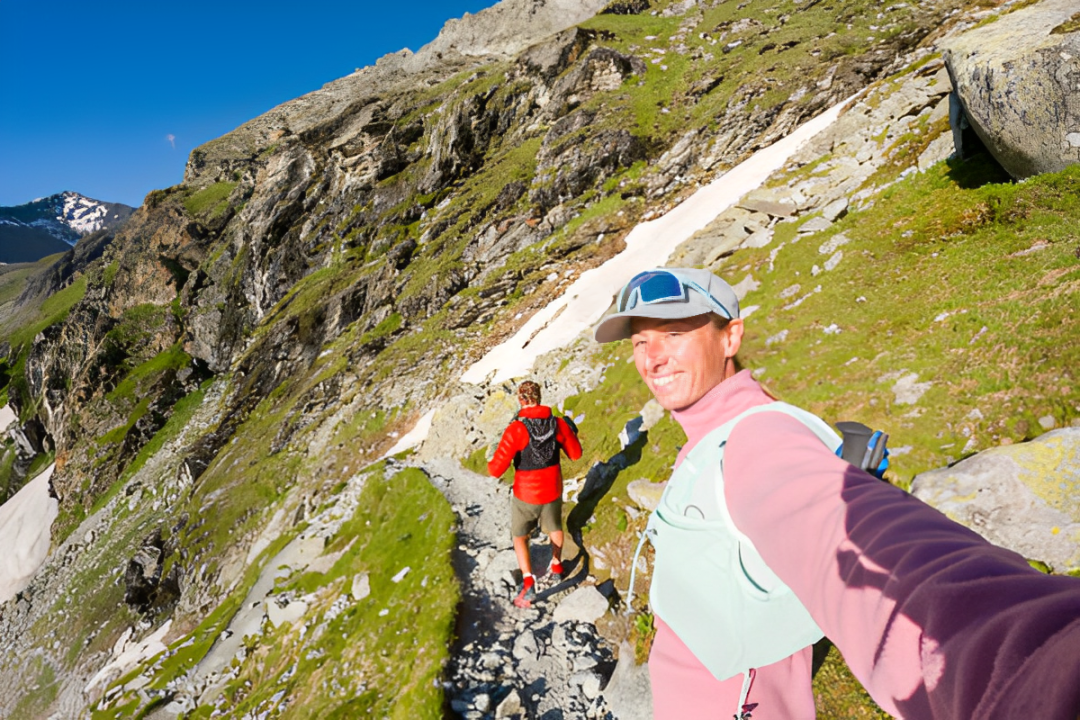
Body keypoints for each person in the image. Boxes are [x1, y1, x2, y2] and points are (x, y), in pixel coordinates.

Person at [594, 267, 1080, 719]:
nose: (652, 359)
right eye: (641, 342)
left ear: (731, 336)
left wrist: (1033, 667)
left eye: (675, 335)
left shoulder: (758, 441)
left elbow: (858, 543)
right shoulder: (708, 437)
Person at [489, 380, 582, 608]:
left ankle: (529, 581)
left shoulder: (516, 429)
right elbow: (576, 454)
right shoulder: (557, 424)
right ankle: (557, 565)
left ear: (521, 400)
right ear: (539, 397)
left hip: (526, 494)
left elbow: (494, 470)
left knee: (520, 536)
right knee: (555, 528)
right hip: (552, 490)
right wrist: (570, 431)